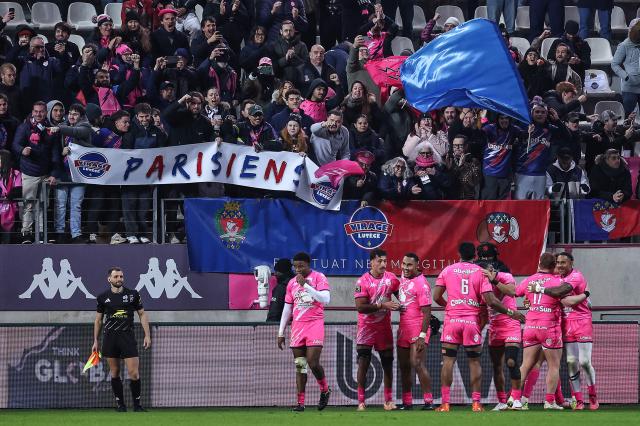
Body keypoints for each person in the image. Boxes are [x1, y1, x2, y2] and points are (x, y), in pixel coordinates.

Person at [432, 242, 524, 412]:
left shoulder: (447, 270)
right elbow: (490, 301)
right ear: (474, 255)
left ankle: (445, 404)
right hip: (471, 321)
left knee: (448, 361)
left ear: (458, 253)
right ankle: (476, 403)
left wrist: (450, 306)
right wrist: (512, 313)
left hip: (452, 321)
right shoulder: (480, 272)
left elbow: (436, 296)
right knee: (474, 362)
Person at [509, 253, 575, 410]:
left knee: (525, 365)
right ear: (553, 266)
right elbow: (565, 298)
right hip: (549, 326)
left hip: (530, 326)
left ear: (539, 264)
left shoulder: (529, 280)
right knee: (554, 366)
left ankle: (515, 399)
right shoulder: (558, 281)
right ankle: (549, 401)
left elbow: (516, 292)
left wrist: (496, 280)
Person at [277, 252, 331, 412]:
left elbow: (325, 299)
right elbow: (287, 308)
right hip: (298, 327)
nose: (298, 269)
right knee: (300, 366)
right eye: (295, 266)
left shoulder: (319, 277)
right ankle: (300, 403)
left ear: (309, 265)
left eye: (301, 266)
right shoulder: (291, 283)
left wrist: (306, 285)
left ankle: (325, 389)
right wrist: (281, 332)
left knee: (313, 362)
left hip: (314, 324)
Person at [93, 267, 150, 412]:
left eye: (121, 276)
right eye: (116, 276)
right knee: (115, 372)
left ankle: (137, 406)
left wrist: (147, 335)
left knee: (134, 373)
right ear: (109, 279)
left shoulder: (133, 294)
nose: (119, 279)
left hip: (127, 337)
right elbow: (98, 320)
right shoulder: (102, 297)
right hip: (110, 338)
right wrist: (95, 340)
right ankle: (121, 405)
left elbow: (142, 314)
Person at [354, 248, 400, 411]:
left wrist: (401, 306)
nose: (383, 264)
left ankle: (388, 401)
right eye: (379, 261)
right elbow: (360, 307)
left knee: (388, 363)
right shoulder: (362, 281)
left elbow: (401, 296)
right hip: (366, 327)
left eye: (385, 261)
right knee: (363, 363)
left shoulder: (392, 279)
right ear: (371, 262)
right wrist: (382, 305)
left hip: (384, 328)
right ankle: (361, 401)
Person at [479, 251, 523, 411]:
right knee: (496, 366)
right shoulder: (480, 283)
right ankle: (502, 401)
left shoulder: (505, 277)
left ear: (491, 269)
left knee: (511, 361)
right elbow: (483, 309)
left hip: (511, 323)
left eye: (485, 273)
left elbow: (512, 291)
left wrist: (494, 280)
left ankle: (516, 399)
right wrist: (478, 329)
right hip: (494, 327)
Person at [556, 252, 598, 410]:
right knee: (571, 362)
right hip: (566, 323)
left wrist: (557, 296)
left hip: (582, 321)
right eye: (558, 262)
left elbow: (566, 298)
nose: (560, 265)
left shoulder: (576, 276)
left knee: (585, 362)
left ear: (571, 263)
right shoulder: (556, 278)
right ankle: (578, 399)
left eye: (563, 262)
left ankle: (592, 395)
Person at [12, 101, 58, 243]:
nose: (38, 114)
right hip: (29, 172)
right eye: (36, 111)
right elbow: (15, 144)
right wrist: (22, 150)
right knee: (28, 204)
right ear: (32, 112)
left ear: (46, 112)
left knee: (44, 205)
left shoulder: (51, 129)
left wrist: (54, 173)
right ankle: (26, 234)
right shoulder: (24, 126)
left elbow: (55, 153)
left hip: (45, 173)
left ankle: (42, 232)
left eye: (41, 111)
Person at [48, 104, 94, 243]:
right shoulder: (63, 125)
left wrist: (61, 129)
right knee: (60, 204)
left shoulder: (85, 127)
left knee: (76, 205)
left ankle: (76, 234)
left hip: (79, 174)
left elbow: (77, 133)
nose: (72, 116)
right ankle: (60, 232)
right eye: (70, 113)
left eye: (76, 114)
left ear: (81, 116)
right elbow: (57, 149)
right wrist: (63, 153)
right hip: (63, 173)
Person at [396, 253, 434, 410]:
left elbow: (427, 313)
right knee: (404, 366)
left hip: (418, 328)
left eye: (409, 265)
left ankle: (428, 401)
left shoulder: (422, 284)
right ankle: (407, 402)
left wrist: (422, 336)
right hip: (403, 328)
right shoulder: (403, 277)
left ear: (417, 265)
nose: (405, 268)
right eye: (404, 264)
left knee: (417, 363)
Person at [611, 20, 640, 117]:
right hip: (630, 88)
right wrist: (626, 77)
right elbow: (614, 64)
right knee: (628, 116)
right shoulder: (624, 46)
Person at [267, 258, 294, 323]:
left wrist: (269, 324)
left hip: (280, 326)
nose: (275, 274)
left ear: (284, 272)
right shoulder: (297, 285)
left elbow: (274, 311)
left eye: (277, 271)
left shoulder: (280, 288)